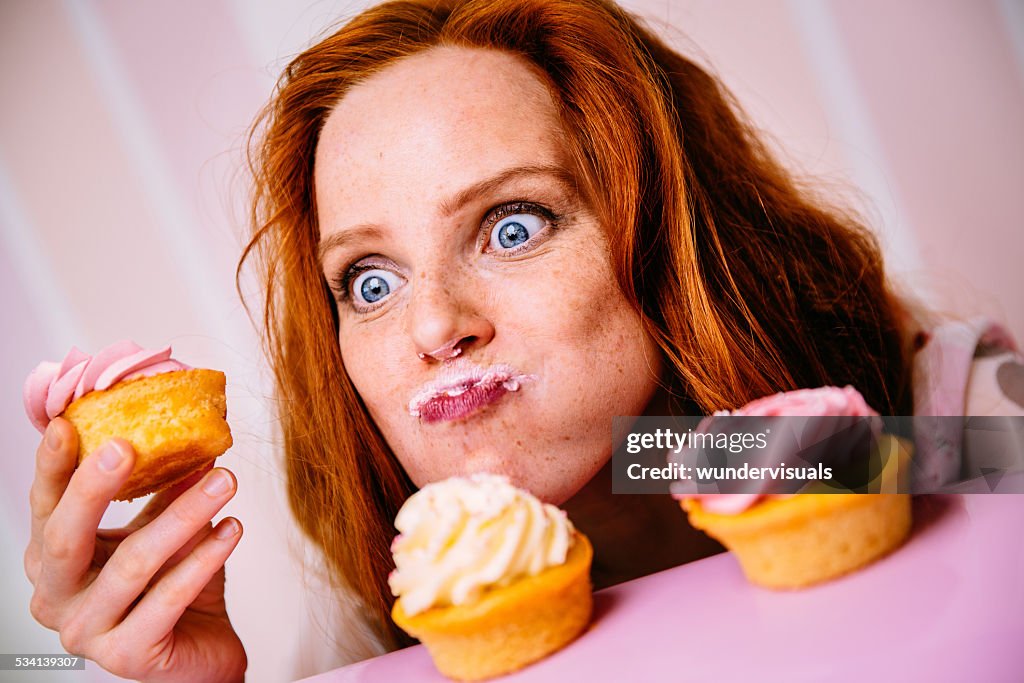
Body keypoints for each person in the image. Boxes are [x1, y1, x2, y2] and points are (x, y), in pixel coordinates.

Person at [22, 0, 1022, 680]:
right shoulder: (398, 610)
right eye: (369, 281)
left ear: (666, 237)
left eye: (513, 225)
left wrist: (684, 453)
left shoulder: (956, 399)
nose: (433, 325)